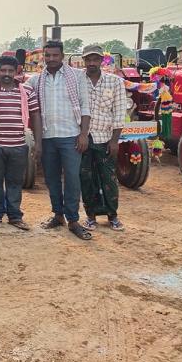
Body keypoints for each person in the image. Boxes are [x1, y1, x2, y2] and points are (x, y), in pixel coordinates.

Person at [27, 40, 92, 240]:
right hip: (47, 137)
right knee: (51, 179)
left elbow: (85, 107)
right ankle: (58, 215)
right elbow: (22, 96)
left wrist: (83, 134)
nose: (51, 59)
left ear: (62, 56)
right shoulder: (35, 80)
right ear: (43, 57)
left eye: (55, 55)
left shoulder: (77, 76)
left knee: (72, 178)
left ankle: (73, 220)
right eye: (48, 56)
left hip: (71, 136)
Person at [0, 56, 42, 230]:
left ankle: (15, 216)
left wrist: (38, 144)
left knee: (15, 182)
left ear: (16, 72)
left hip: (18, 146)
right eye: (3, 70)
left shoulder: (27, 92)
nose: (6, 74)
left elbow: (35, 116)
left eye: (10, 71)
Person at [79, 44, 127, 231]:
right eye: (88, 59)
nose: (91, 63)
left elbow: (119, 112)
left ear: (101, 60)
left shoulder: (114, 82)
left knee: (108, 178)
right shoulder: (78, 80)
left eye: (95, 59)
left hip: (105, 137)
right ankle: (90, 216)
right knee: (86, 178)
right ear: (84, 60)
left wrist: (115, 141)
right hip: (82, 138)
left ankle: (112, 215)